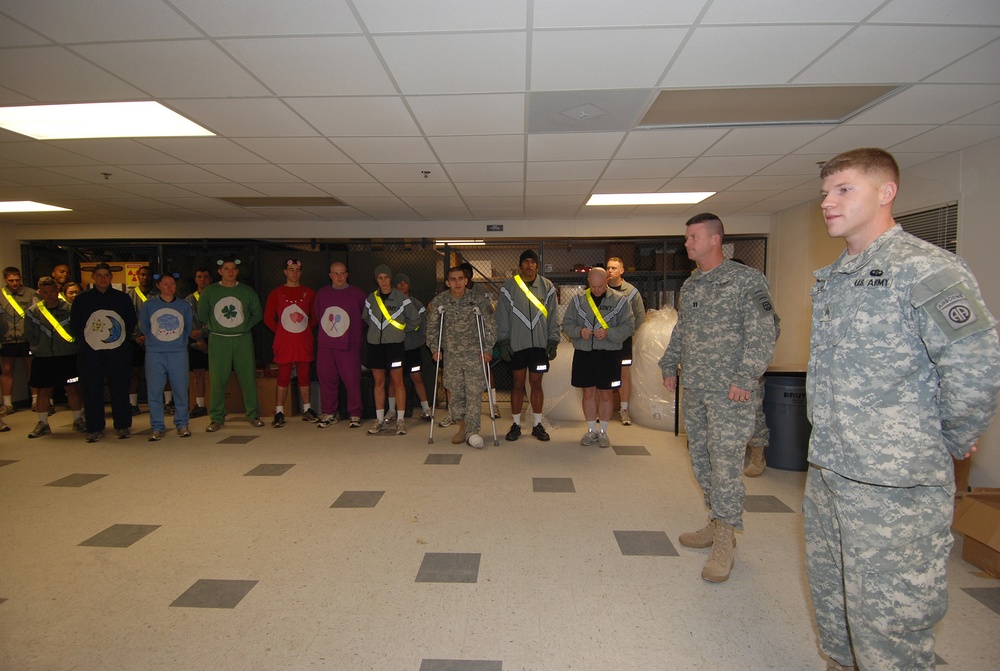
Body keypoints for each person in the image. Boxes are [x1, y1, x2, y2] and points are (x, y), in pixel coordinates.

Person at [804, 148, 1000, 671]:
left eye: (844, 189)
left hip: (895, 482)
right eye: (825, 192)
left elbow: (976, 361)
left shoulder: (924, 268)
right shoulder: (837, 275)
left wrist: (953, 438)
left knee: (889, 623)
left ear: (886, 192)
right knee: (835, 601)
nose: (828, 202)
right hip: (830, 467)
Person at [659, 213, 777, 583]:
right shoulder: (692, 286)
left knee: (726, 464)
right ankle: (716, 519)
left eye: (693, 237)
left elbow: (766, 331)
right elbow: (683, 328)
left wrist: (745, 377)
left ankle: (726, 537)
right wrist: (668, 362)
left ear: (715, 240)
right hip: (696, 386)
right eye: (687, 237)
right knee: (701, 459)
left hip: (731, 391)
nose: (687, 243)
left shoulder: (746, 281)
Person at [562, 267, 634, 449]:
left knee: (605, 393)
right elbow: (567, 324)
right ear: (588, 282)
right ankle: (591, 430)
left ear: (607, 281)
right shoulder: (578, 300)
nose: (596, 290)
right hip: (584, 353)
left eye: (600, 286)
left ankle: (603, 432)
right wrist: (579, 331)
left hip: (608, 353)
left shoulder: (620, 301)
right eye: (593, 286)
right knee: (588, 392)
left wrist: (609, 333)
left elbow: (629, 327)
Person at [426, 266, 496, 448]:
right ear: (447, 282)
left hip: (475, 355)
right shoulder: (440, 302)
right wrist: (435, 348)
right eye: (453, 279)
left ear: (466, 280)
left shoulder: (478, 301)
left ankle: (472, 431)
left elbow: (490, 326)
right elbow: (432, 328)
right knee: (455, 394)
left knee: (473, 393)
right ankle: (462, 426)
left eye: (460, 279)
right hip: (452, 356)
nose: (457, 283)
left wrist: (488, 348)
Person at [496, 249, 559, 442]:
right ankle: (516, 424)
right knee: (517, 384)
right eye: (525, 262)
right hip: (516, 345)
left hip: (539, 346)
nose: (529, 265)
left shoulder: (547, 286)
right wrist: (504, 341)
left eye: (533, 262)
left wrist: (553, 340)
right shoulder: (509, 286)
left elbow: (553, 315)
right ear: (520, 265)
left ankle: (537, 425)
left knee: (536, 384)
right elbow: (502, 316)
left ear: (537, 265)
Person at [70, 263, 137, 442]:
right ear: (93, 277)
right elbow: (75, 324)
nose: (103, 278)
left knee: (120, 388)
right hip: (91, 352)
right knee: (91, 389)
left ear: (111, 277)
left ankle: (122, 425)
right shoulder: (82, 299)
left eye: (106, 275)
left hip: (118, 351)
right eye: (99, 275)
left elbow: (130, 321)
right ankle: (94, 427)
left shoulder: (122, 298)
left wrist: (117, 339)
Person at [198, 258, 264, 432]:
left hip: (242, 339)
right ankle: (217, 417)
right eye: (226, 269)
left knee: (248, 377)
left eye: (233, 269)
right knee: (217, 379)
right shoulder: (210, 291)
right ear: (220, 272)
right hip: (219, 339)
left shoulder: (246, 291)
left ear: (237, 271)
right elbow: (203, 314)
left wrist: (245, 326)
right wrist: (215, 326)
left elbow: (257, 314)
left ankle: (252, 414)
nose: (230, 272)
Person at [363, 264, 421, 435]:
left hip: (394, 346)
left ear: (390, 279)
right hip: (375, 345)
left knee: (398, 383)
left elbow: (415, 319)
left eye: (386, 277)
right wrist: (376, 333)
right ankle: (379, 420)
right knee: (379, 382)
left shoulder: (401, 298)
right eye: (380, 278)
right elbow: (366, 318)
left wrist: (399, 331)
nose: (383, 281)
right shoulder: (371, 299)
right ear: (376, 280)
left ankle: (400, 420)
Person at [24, 276, 84, 438]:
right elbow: (29, 334)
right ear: (40, 292)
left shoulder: (70, 309)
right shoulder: (32, 312)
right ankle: (43, 423)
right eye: (45, 292)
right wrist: (38, 348)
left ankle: (78, 419)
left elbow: (78, 331)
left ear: (58, 291)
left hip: (67, 355)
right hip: (43, 357)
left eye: (52, 291)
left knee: (72, 388)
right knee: (43, 390)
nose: (49, 295)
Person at [263, 259, 319, 427]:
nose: (294, 273)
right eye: (291, 269)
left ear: (301, 273)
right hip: (285, 342)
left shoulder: (309, 292)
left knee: (304, 374)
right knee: (283, 375)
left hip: (303, 340)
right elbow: (268, 319)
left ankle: (307, 409)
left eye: (298, 270)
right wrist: (282, 331)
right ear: (285, 272)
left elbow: (315, 317)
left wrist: (303, 331)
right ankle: (279, 411)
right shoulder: (277, 292)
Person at [313, 261, 367, 429]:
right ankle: (329, 412)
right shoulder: (322, 294)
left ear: (347, 274)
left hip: (349, 345)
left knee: (352, 381)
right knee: (327, 379)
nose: (339, 277)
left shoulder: (357, 294)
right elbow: (317, 315)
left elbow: (364, 320)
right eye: (335, 274)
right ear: (330, 275)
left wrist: (352, 335)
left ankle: (355, 413)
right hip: (327, 346)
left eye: (342, 273)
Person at [140, 273, 193, 440]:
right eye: (165, 284)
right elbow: (145, 327)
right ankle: (157, 426)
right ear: (158, 286)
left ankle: (182, 424)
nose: (169, 287)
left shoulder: (184, 305)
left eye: (172, 284)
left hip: (178, 352)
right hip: (155, 352)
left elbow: (188, 327)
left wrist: (179, 343)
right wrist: (154, 342)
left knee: (180, 389)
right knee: (155, 391)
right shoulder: (149, 305)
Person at [605, 256, 645, 426]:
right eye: (608, 267)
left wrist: (628, 333)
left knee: (623, 374)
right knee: (604, 373)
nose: (610, 271)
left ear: (621, 271)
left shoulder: (631, 292)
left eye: (614, 268)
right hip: (604, 341)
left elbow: (640, 316)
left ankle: (623, 409)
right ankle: (603, 409)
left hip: (624, 342)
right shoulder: (600, 289)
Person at [393, 273, 433, 422]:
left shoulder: (417, 305)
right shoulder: (390, 304)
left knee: (417, 377)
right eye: (399, 283)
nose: (402, 285)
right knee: (393, 380)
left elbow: (423, 325)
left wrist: (417, 341)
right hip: (395, 349)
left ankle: (426, 409)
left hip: (413, 349)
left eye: (405, 282)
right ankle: (392, 411)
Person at [1, 266, 39, 415]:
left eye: (17, 280)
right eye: (11, 280)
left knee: (31, 369)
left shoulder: (31, 294)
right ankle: (7, 403)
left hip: (27, 338)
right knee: (7, 369)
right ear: (5, 280)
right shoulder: (1, 295)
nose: (15, 283)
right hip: (7, 338)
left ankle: (35, 400)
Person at [185, 268, 211, 418]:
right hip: (195, 339)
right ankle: (200, 405)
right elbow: (185, 322)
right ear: (195, 279)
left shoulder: (215, 297)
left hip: (213, 338)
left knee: (216, 373)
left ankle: (216, 404)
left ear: (211, 279)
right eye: (199, 277)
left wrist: (205, 333)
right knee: (198, 373)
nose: (203, 280)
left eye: (206, 277)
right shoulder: (188, 300)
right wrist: (198, 338)